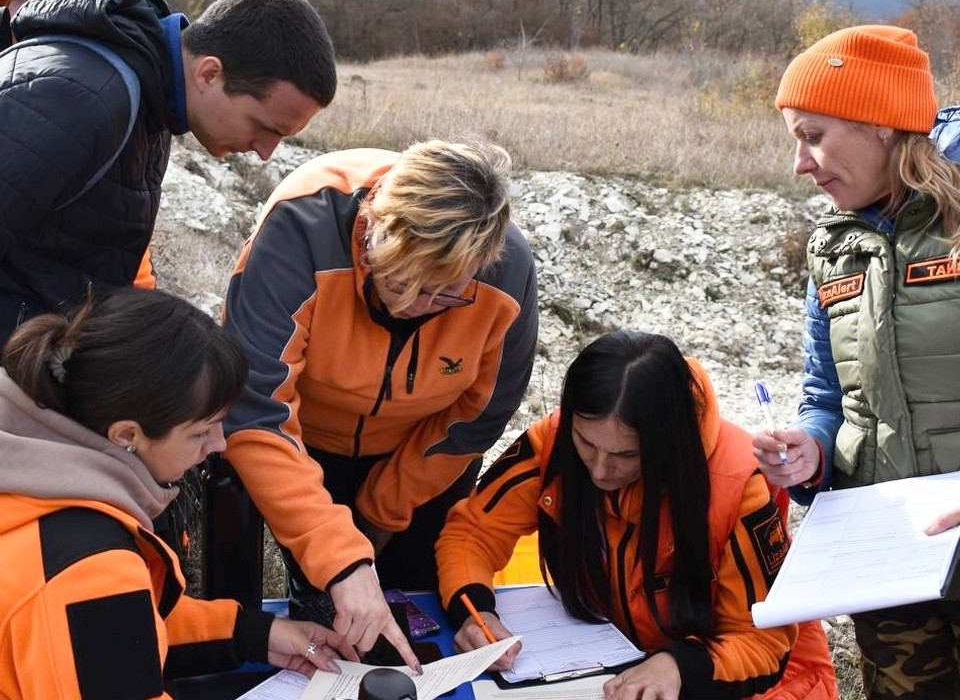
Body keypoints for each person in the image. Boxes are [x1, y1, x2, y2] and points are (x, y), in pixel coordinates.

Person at [217, 139, 538, 664]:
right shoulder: (302, 227)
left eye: (445, 294)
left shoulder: (506, 273)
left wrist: (379, 513)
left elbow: (477, 419)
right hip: (302, 443)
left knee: (412, 606)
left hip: (423, 456)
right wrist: (342, 560)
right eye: (403, 282)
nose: (416, 307)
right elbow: (257, 408)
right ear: (374, 229)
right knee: (328, 606)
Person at [0, 287, 360, 700]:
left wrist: (254, 635)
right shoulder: (89, 567)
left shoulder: (28, 475)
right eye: (200, 432)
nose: (220, 445)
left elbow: (112, 636)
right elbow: (97, 619)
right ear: (128, 435)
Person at [437, 330, 838, 700]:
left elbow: (762, 643)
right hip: (619, 665)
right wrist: (476, 612)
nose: (598, 469)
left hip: (756, 684)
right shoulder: (553, 443)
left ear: (670, 440)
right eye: (585, 443)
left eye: (626, 455)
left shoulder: (737, 485)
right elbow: (473, 532)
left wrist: (678, 666)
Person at [753, 25, 960, 699]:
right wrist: (809, 452)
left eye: (813, 135)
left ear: (882, 126)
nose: (800, 164)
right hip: (893, 562)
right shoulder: (832, 249)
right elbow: (827, 393)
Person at [0, 0, 337, 344]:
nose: (266, 151)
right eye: (263, 127)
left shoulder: (151, 100)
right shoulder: (86, 98)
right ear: (209, 73)